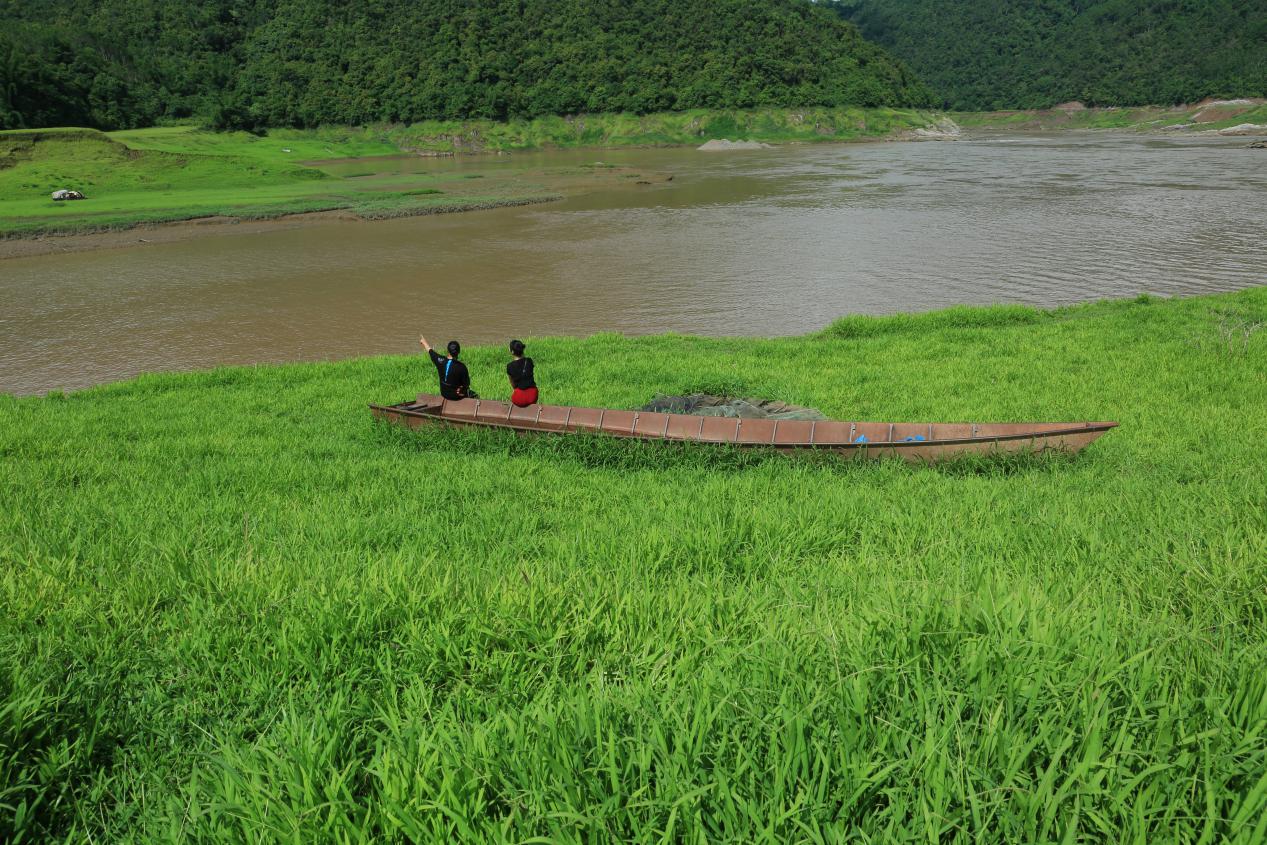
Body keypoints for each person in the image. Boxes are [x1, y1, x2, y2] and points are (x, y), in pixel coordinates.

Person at [419, 335, 472, 400]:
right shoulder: (462, 367)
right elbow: (466, 384)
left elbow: (430, 351)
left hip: (444, 394)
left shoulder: (440, 360)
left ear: (448, 351)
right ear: (459, 352)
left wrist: (424, 342)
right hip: (456, 396)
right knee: (474, 395)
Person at [505, 339, 538, 407]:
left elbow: (513, 385)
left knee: (514, 397)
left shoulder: (509, 366)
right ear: (522, 349)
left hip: (518, 398)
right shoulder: (529, 361)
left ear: (512, 352)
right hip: (532, 396)